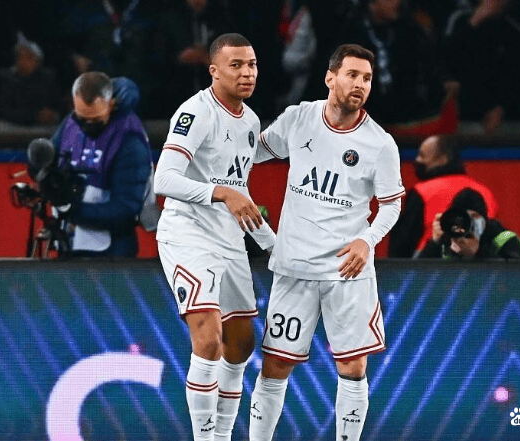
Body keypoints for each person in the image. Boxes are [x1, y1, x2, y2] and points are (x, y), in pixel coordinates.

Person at [249, 43, 405, 441]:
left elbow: (391, 205)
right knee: (275, 365)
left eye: (367, 78)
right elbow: (254, 153)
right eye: (352, 75)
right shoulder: (299, 117)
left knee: (353, 367)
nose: (360, 84)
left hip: (347, 270)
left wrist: (367, 241)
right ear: (330, 77)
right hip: (295, 265)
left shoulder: (380, 143)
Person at [153, 33, 275, 441]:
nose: (247, 72)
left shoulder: (251, 121)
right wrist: (220, 192)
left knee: (241, 345)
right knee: (208, 340)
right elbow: (164, 179)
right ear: (214, 71)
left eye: (252, 64)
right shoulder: (195, 112)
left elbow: (239, 191)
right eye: (236, 65)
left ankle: (221, 434)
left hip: (228, 238)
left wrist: (275, 245)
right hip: (187, 233)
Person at [51, 72, 152, 257]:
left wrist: (72, 210)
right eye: (82, 118)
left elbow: (126, 209)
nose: (88, 125)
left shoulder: (128, 140)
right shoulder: (70, 124)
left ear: (111, 104)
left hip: (111, 252)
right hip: (70, 243)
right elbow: (50, 160)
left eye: (96, 119)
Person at [388, 134, 498, 257]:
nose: (417, 160)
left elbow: (402, 244)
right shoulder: (484, 191)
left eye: (422, 156)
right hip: (481, 262)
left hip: (429, 261)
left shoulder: (422, 192)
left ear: (443, 159)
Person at [417, 187, 520, 259]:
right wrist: (434, 243)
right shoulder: (447, 239)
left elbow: (518, 280)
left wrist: (477, 253)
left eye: (474, 217)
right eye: (462, 218)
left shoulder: (503, 238)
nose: (468, 223)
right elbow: (417, 278)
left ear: (484, 220)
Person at [0, 32, 62, 126]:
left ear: (38, 61)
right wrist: (35, 116)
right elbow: (4, 110)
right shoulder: (7, 79)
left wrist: (52, 115)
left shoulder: (48, 79)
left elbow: (58, 105)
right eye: (20, 57)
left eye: (28, 58)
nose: (23, 62)